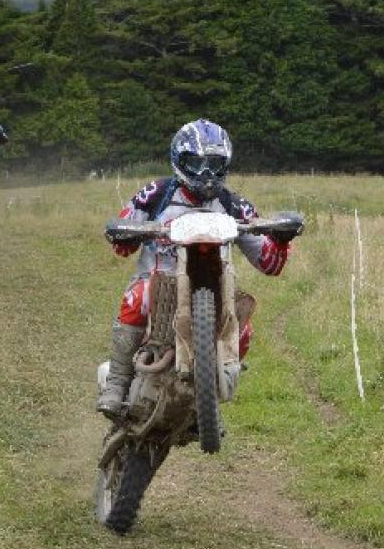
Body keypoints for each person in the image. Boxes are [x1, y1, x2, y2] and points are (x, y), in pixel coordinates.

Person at [97, 118, 301, 417]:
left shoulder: (234, 205)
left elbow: (268, 264)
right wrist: (124, 231)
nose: (206, 173)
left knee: (242, 327)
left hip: (214, 286)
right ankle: (116, 383)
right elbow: (121, 243)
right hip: (157, 279)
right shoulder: (156, 193)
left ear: (226, 164)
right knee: (137, 298)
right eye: (197, 163)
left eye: (214, 164)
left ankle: (211, 401)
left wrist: (281, 239)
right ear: (180, 160)